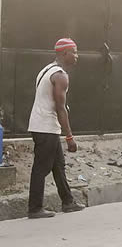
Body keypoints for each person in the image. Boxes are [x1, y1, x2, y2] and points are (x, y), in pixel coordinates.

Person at [27, 38, 85, 219]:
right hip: (46, 126)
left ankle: (68, 202)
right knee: (41, 168)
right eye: (74, 52)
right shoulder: (60, 76)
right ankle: (35, 208)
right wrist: (70, 137)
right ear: (64, 53)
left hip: (42, 124)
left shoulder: (46, 69)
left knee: (58, 165)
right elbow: (60, 108)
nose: (77, 56)